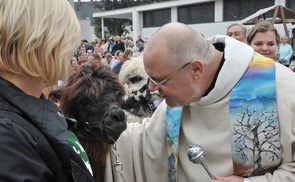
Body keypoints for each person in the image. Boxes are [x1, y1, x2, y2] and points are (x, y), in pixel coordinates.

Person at [104, 22, 295, 182]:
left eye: (159, 80)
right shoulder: (179, 93)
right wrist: (97, 130)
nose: (152, 88)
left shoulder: (282, 88)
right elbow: (146, 142)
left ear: (196, 69)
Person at [0, 0, 94, 181]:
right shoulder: (7, 136)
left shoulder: (27, 112)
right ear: (44, 43)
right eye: (68, 42)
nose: (71, 54)